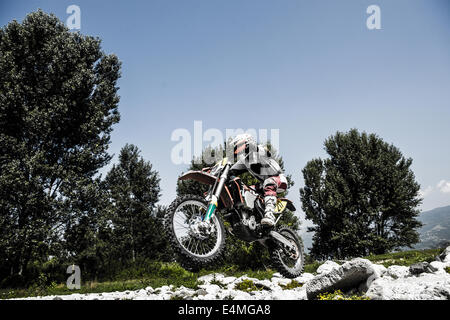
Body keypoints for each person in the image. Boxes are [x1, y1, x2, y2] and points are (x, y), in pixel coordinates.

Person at [229, 133, 287, 226]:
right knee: (246, 190)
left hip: (278, 179)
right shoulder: (245, 161)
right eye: (237, 147)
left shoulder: (259, 150)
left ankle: (269, 215)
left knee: (269, 182)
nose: (239, 149)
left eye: (240, 146)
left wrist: (253, 147)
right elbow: (231, 170)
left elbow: (266, 152)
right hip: (262, 184)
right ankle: (250, 218)